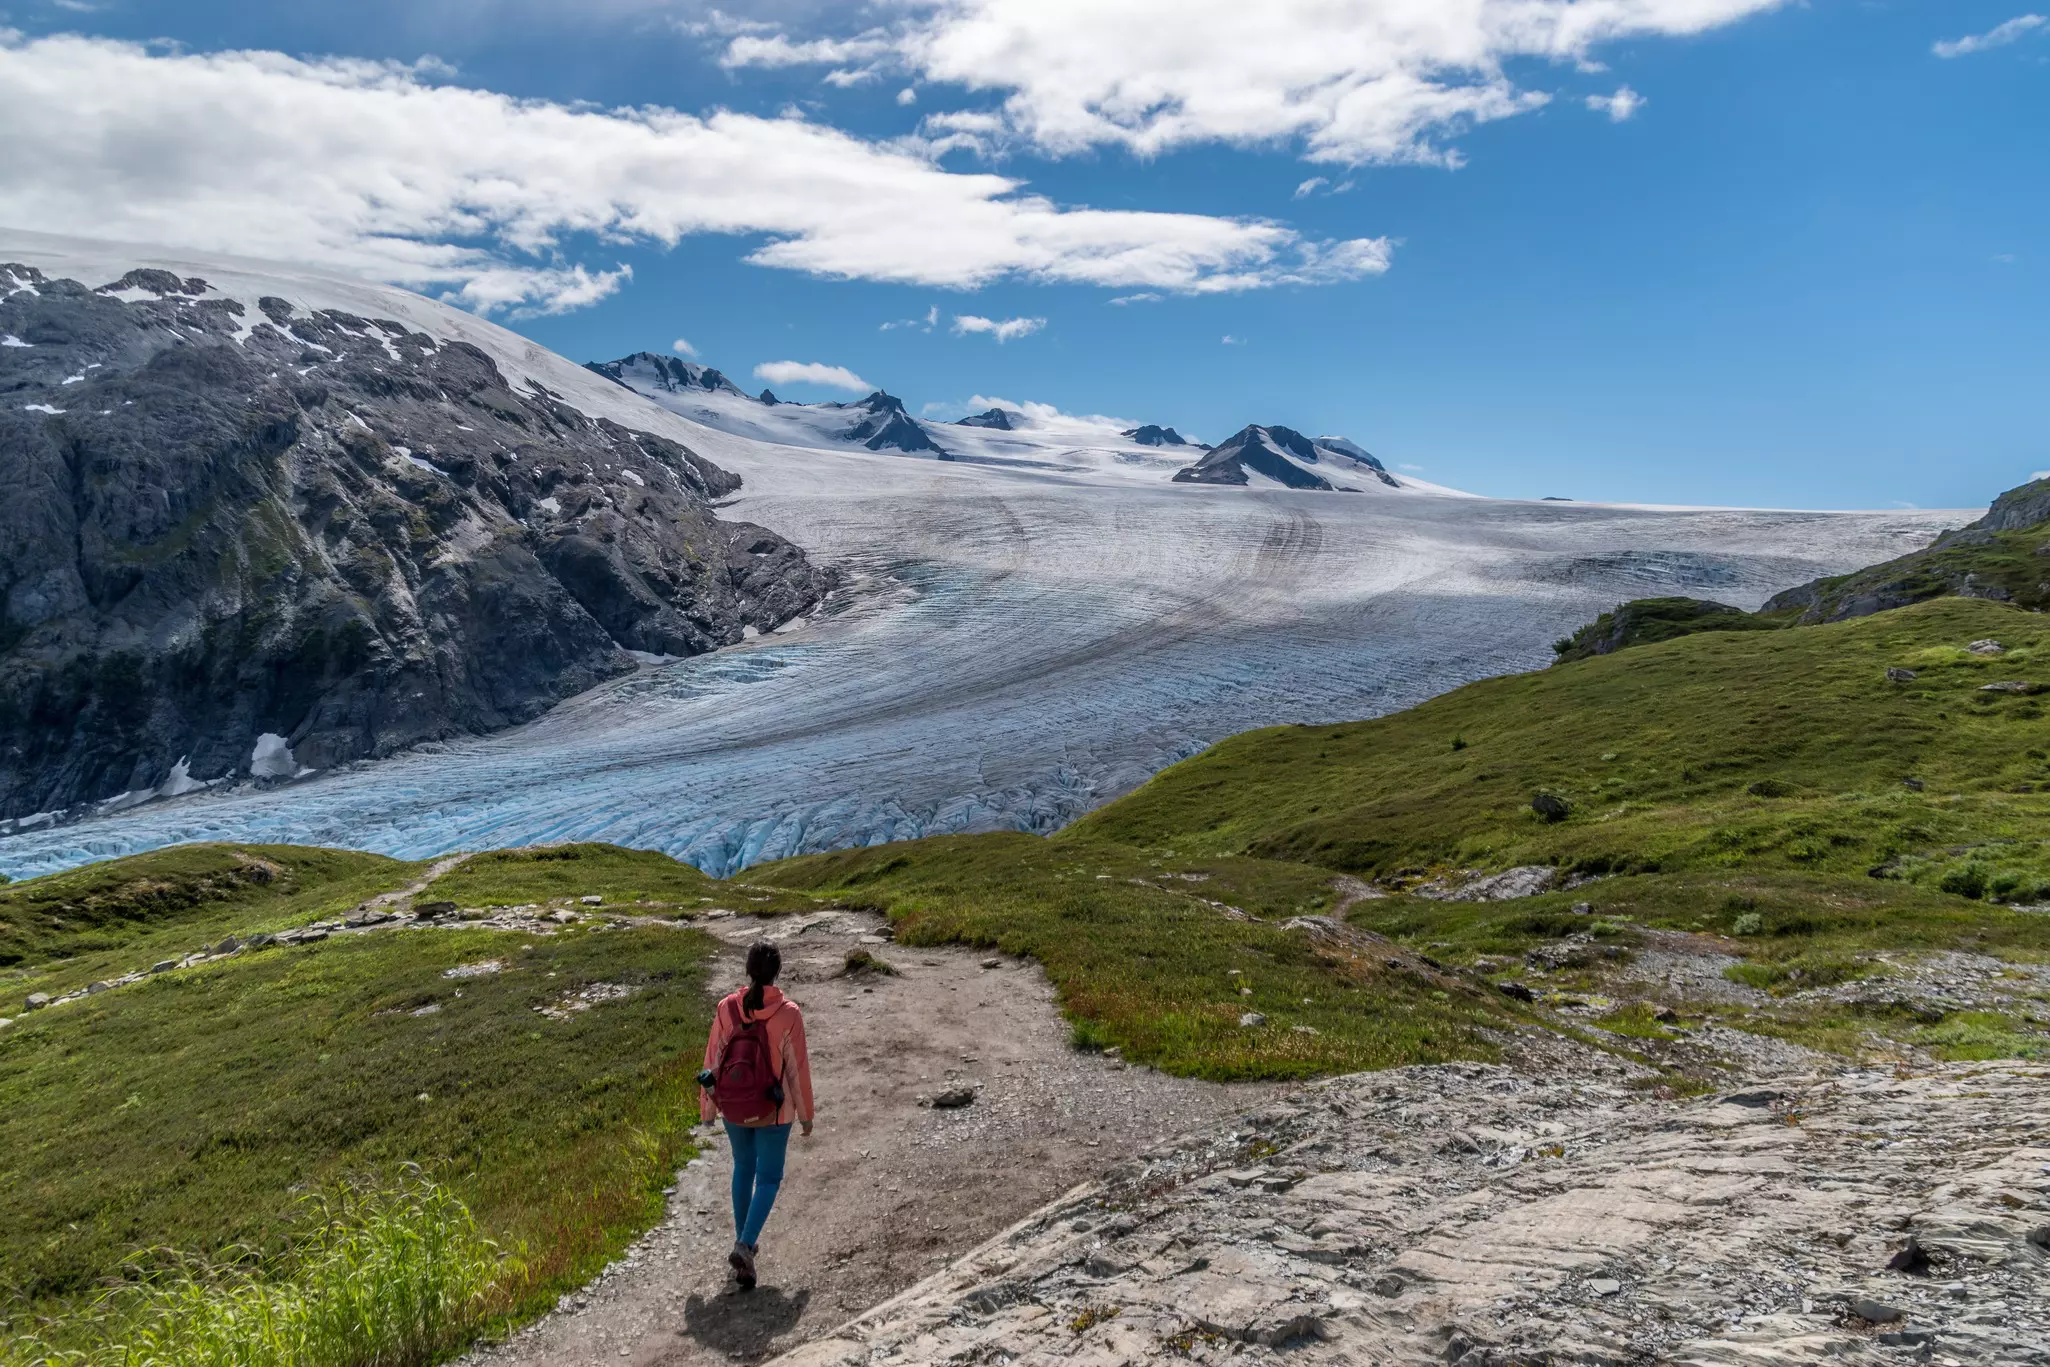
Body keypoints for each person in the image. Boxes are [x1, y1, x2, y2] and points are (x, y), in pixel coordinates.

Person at [699, 941, 813, 1290]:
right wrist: (806, 1114)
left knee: (743, 1170)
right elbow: (797, 1070)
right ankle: (745, 1246)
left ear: (747, 970)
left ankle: (743, 1247)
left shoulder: (727, 1008)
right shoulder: (788, 1013)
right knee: (767, 1178)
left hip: (734, 1108)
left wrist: (708, 1109)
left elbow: (713, 1061)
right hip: (774, 1111)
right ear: (778, 971)